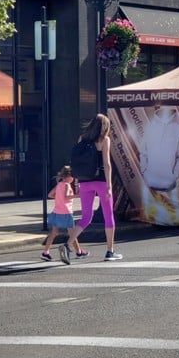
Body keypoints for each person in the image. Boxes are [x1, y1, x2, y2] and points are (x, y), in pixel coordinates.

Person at [61, 113, 122, 264]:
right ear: (105, 127)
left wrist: (76, 183)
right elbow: (107, 164)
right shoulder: (104, 140)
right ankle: (110, 251)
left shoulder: (82, 139)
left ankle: (67, 244)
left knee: (86, 217)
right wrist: (109, 186)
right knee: (109, 216)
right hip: (100, 181)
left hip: (84, 181)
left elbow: (77, 162)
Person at [41, 166, 87, 261]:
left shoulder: (59, 184)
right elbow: (67, 197)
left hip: (57, 211)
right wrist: (78, 195)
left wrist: (59, 198)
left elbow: (50, 195)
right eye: (72, 177)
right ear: (68, 176)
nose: (73, 179)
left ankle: (46, 252)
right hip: (66, 212)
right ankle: (79, 252)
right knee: (72, 234)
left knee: (54, 233)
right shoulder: (66, 185)